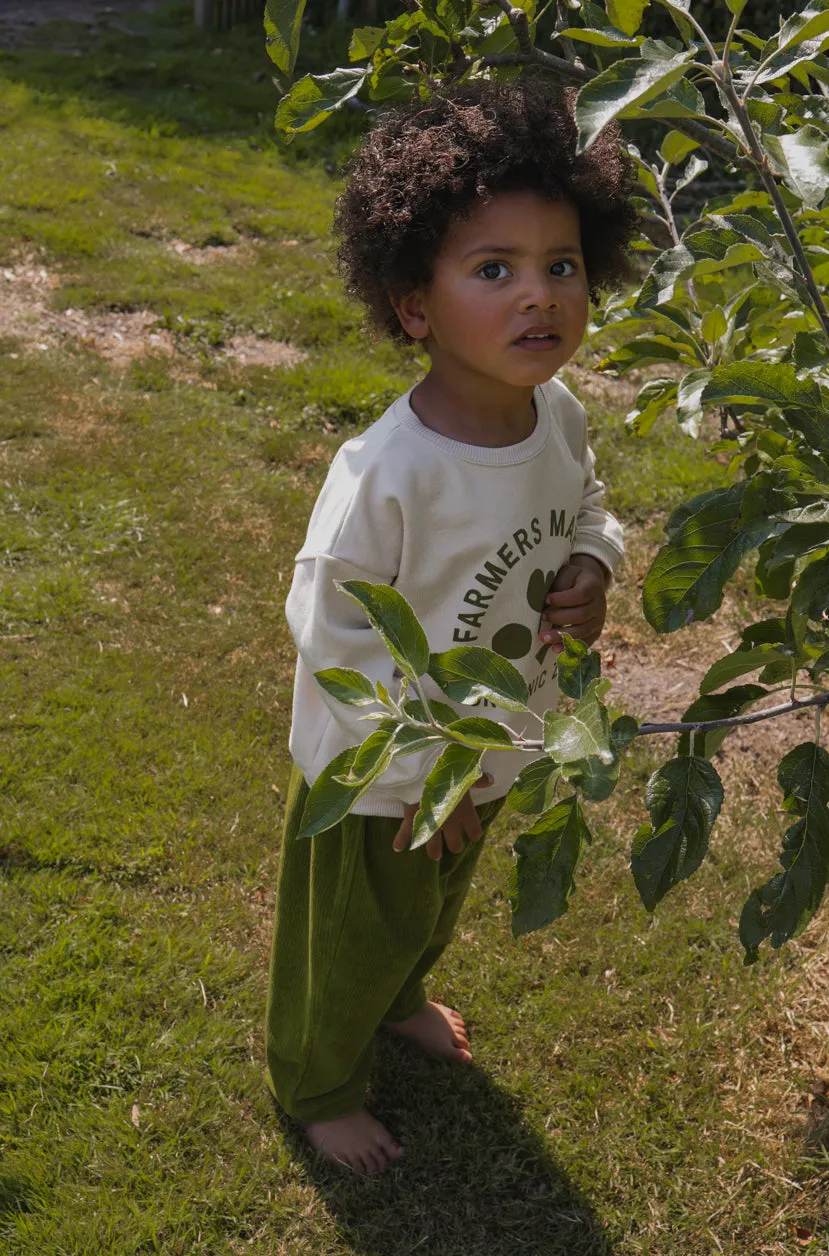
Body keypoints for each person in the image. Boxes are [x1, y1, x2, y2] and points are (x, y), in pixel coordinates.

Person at [265, 80, 638, 1175]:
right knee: (351, 931)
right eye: (494, 269)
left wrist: (593, 562)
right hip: (379, 773)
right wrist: (426, 774)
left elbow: (588, 503)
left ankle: (403, 996)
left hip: (490, 745)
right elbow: (335, 638)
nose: (540, 296)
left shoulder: (557, 415)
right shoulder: (390, 474)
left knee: (429, 911)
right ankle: (318, 1079)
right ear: (414, 303)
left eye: (560, 265)